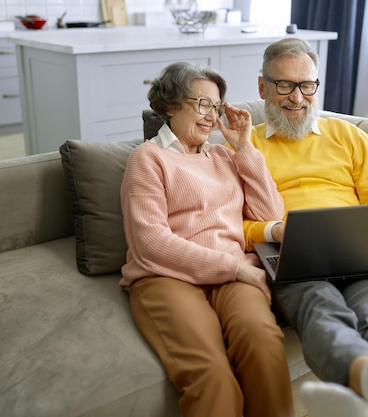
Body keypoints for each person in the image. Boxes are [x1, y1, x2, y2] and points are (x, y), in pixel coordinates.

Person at [242, 37, 368, 417]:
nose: (297, 97)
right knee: (322, 308)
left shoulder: (351, 138)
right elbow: (233, 222)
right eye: (284, 85)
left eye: (307, 85)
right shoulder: (244, 147)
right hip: (292, 255)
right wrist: (276, 229)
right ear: (263, 86)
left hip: (358, 252)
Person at [119, 61, 294, 417]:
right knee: (211, 374)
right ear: (171, 104)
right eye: (202, 104)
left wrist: (244, 148)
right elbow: (151, 242)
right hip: (166, 277)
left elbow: (269, 215)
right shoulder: (147, 158)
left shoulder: (223, 156)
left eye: (216, 107)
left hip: (232, 276)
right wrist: (235, 268)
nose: (212, 116)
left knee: (264, 341)